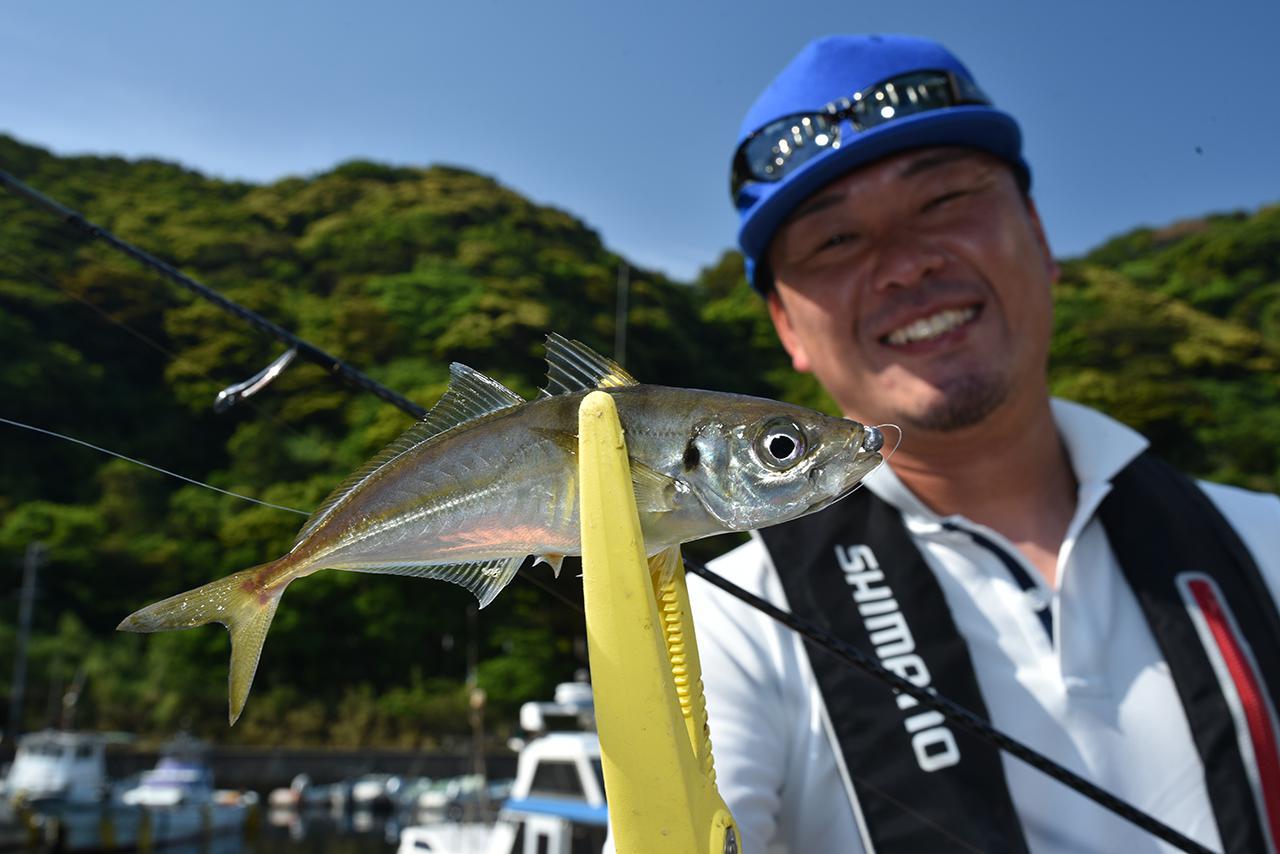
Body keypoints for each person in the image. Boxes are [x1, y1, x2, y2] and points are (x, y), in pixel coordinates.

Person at [687, 34, 1280, 854]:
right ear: (787, 323)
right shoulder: (722, 623)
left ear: (1039, 233)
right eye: (835, 241)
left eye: (944, 201)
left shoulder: (1268, 544)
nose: (904, 264)